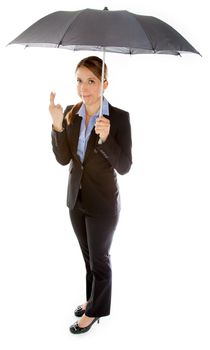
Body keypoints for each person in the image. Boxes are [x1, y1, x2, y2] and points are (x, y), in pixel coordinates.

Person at [49, 56, 132, 334]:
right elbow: (64, 159)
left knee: (99, 258)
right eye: (79, 80)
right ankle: (92, 299)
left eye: (91, 81)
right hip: (77, 200)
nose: (83, 88)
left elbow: (125, 166)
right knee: (88, 257)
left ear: (104, 84)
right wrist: (58, 125)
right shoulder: (72, 112)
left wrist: (107, 140)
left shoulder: (118, 118)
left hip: (104, 203)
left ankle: (96, 312)